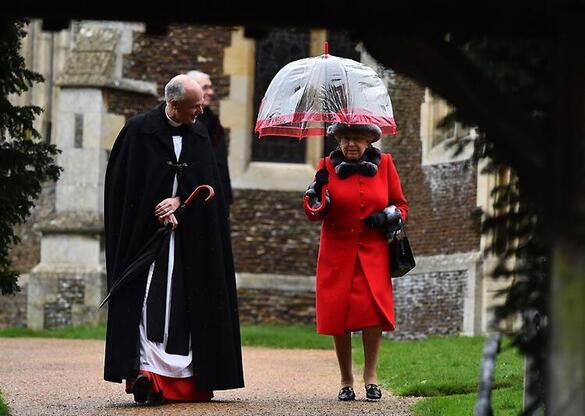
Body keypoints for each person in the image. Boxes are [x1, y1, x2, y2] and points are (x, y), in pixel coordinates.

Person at [104, 74, 244, 404]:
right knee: (146, 304)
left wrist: (182, 200)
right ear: (174, 104)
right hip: (146, 242)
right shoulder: (139, 131)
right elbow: (122, 190)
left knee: (187, 304)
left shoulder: (198, 134)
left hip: (189, 244)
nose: (201, 111)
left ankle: (189, 380)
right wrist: (153, 208)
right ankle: (146, 374)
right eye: (194, 106)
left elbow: (211, 185)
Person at [303, 123, 409, 402]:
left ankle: (371, 378)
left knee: (373, 314)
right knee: (341, 316)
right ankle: (346, 380)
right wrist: (317, 189)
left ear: (369, 141)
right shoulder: (325, 164)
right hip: (337, 253)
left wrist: (385, 217)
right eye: (346, 138)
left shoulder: (385, 164)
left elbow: (401, 205)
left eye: (358, 139)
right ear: (338, 139)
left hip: (373, 253)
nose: (351, 144)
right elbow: (314, 213)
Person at [186, 70, 233, 208]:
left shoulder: (213, 123)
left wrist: (224, 198)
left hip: (215, 196)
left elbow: (220, 164)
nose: (211, 92)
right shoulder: (184, 123)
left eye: (210, 87)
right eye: (205, 87)